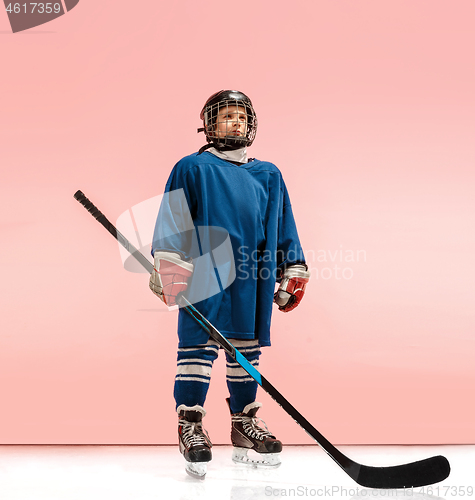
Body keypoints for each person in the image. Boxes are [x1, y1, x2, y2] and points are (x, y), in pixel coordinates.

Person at [150, 90, 310, 478]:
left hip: (250, 276)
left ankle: (244, 422)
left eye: (242, 116)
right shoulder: (192, 168)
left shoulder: (268, 174)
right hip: (204, 274)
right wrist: (168, 263)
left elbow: (282, 222)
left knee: (245, 348)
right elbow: (175, 217)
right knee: (198, 347)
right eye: (227, 116)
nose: (236, 122)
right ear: (208, 123)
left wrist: (293, 268)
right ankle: (190, 423)